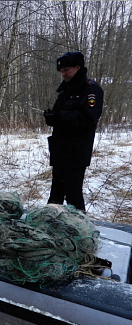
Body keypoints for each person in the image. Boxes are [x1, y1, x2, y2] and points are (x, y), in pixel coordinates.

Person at [43, 51, 104, 212]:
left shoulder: (90, 89)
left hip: (77, 149)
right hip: (60, 147)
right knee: (56, 191)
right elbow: (61, 116)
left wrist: (61, 116)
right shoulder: (65, 90)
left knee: (73, 194)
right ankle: (51, 222)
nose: (63, 73)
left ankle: (79, 228)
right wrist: (52, 118)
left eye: (67, 70)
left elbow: (89, 119)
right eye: (61, 71)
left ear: (78, 67)